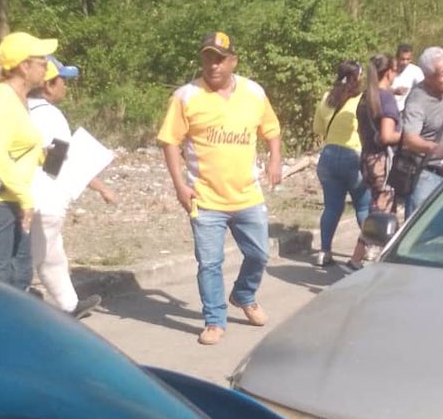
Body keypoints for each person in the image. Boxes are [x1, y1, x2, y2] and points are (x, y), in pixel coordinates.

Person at [157, 30, 282, 346]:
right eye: (207, 58)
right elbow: (169, 142)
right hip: (206, 198)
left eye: (220, 59)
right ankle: (214, 319)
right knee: (210, 263)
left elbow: (271, 129)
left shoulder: (253, 92)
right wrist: (179, 186)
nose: (213, 65)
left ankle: (243, 294)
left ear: (233, 61)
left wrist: (275, 160)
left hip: (247, 195)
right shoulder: (186, 97)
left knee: (260, 254)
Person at [0, 31, 56, 291]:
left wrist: (40, 155)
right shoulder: (3, 97)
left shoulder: (18, 98)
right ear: (24, 66)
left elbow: (14, 145)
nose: (47, 67)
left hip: (10, 200)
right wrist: (26, 199)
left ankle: (16, 330)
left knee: (19, 278)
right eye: (42, 61)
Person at [28, 55, 116, 319]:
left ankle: (69, 305)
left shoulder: (19, 109)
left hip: (24, 196)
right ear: (48, 86)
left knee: (52, 254)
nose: (66, 86)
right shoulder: (50, 115)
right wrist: (99, 181)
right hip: (45, 200)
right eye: (63, 80)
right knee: (30, 259)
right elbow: (59, 164)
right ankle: (9, 306)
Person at [312, 60, 371, 271]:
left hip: (328, 156)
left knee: (331, 207)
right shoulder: (361, 100)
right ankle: (368, 249)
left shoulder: (327, 98)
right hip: (353, 155)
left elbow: (318, 128)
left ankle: (324, 251)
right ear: (357, 78)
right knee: (363, 206)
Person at [400, 46, 443, 217]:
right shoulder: (417, 100)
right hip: (426, 175)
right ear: (428, 77)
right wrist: (432, 148)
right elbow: (409, 139)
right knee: (421, 229)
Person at [357, 52, 402, 214]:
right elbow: (386, 135)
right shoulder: (386, 98)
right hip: (383, 163)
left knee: (376, 206)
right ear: (389, 72)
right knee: (383, 216)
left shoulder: (365, 97)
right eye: (396, 70)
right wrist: (407, 137)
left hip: (367, 159)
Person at [391, 43, 425, 112]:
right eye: (402, 59)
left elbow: (424, 89)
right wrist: (394, 91)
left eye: (408, 59)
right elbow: (379, 88)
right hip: (390, 109)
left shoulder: (415, 71)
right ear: (397, 58)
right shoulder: (390, 70)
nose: (405, 62)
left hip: (407, 111)